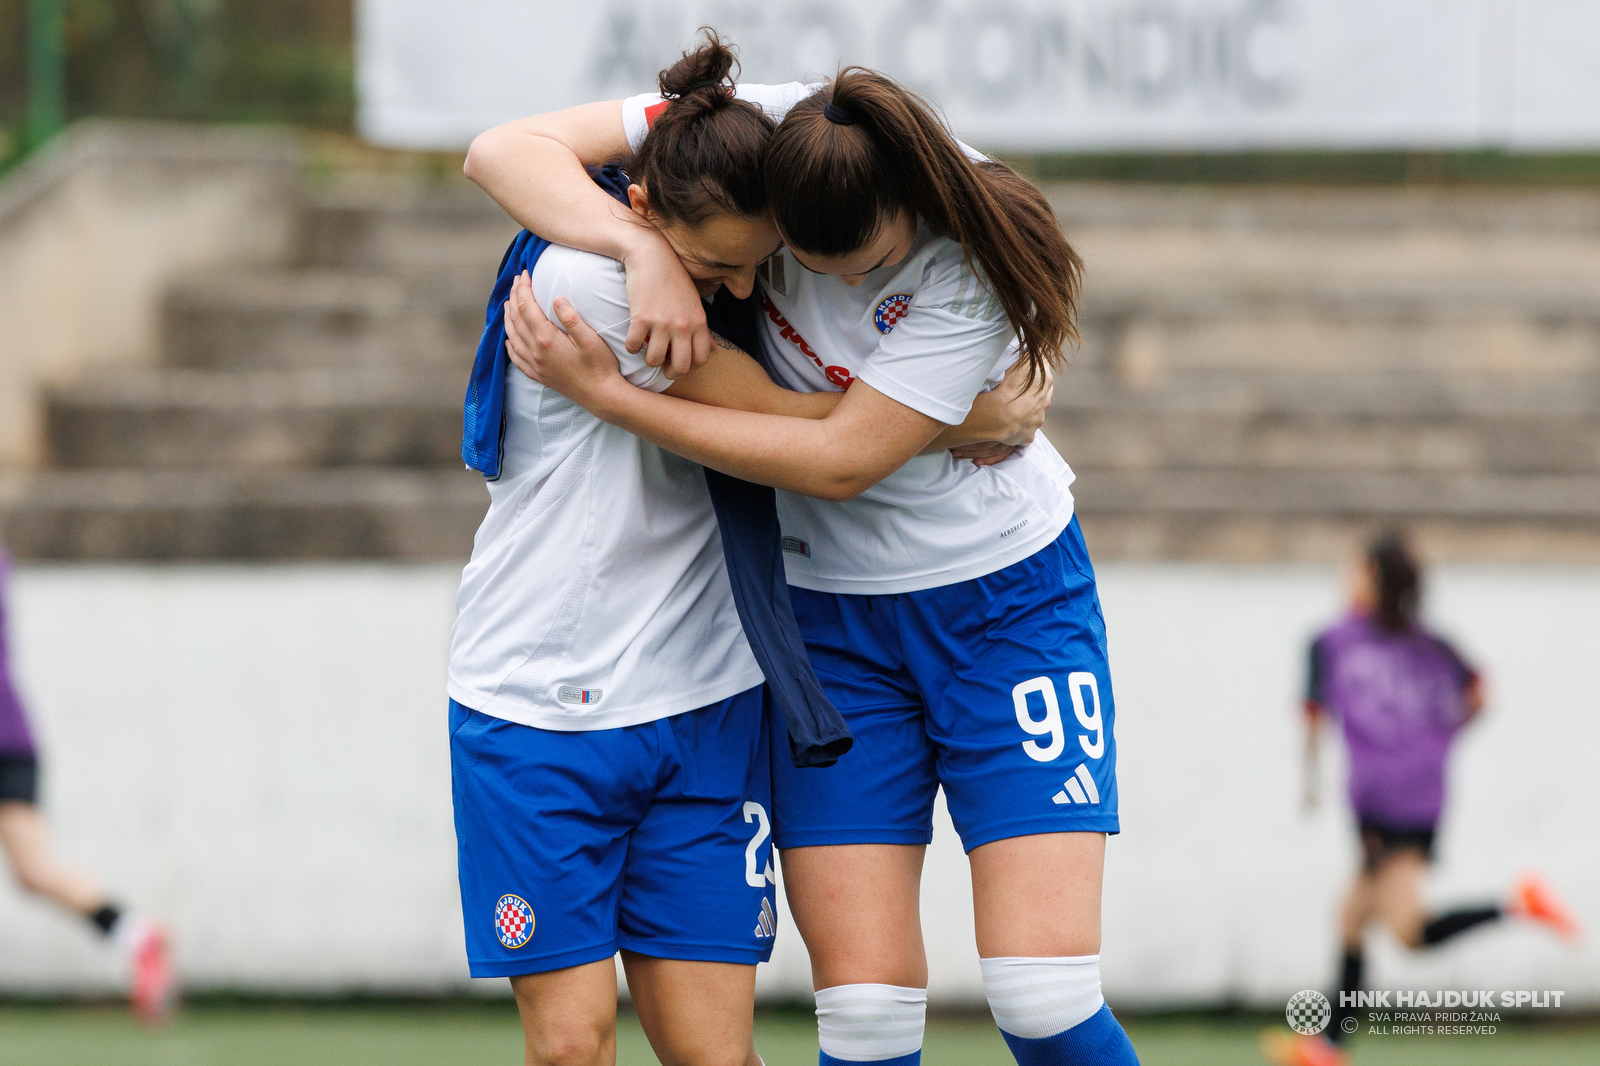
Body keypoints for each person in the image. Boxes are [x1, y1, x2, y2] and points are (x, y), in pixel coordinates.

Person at [472, 43, 1141, 1066]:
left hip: (1001, 604)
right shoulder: (777, 132)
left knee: (1040, 992)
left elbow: (837, 460)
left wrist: (612, 395)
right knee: (865, 1015)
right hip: (827, 620)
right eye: (795, 264)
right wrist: (641, 246)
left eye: (864, 269)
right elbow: (502, 150)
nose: (819, 288)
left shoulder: (972, 255)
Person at [1262, 531, 1580, 1066]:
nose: (1347, 577)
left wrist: (1311, 781)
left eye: (1355, 569)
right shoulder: (1431, 645)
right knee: (1351, 917)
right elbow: (1478, 689)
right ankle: (1328, 1047)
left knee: (1408, 931)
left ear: (1372, 579)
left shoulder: (1333, 640)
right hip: (1415, 795)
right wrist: (1438, 737)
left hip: (1389, 806)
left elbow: (1312, 715)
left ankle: (1517, 903)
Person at [0, 546, 173, 1024]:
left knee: (34, 868)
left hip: (6, 738)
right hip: (14, 737)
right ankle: (135, 934)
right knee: (33, 870)